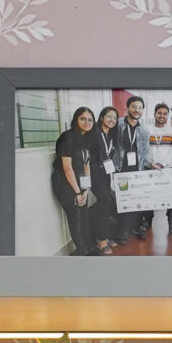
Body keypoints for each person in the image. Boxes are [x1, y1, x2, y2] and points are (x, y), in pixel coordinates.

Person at [51, 107, 102, 255]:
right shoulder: (67, 137)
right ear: (76, 119)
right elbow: (67, 168)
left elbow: (87, 165)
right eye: (83, 119)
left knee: (84, 215)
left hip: (79, 180)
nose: (87, 122)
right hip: (64, 181)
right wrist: (78, 192)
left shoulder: (87, 138)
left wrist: (86, 188)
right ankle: (82, 251)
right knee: (75, 216)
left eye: (90, 120)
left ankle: (89, 247)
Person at [118, 95, 151, 240]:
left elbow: (146, 150)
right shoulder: (118, 124)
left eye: (140, 107)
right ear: (128, 108)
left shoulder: (144, 130)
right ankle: (123, 229)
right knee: (123, 199)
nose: (137, 110)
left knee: (137, 198)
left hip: (137, 169)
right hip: (121, 168)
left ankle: (137, 227)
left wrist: (151, 163)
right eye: (134, 106)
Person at [92, 104, 124, 251]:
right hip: (93, 174)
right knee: (105, 202)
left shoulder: (111, 135)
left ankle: (103, 235)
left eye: (115, 118)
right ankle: (101, 239)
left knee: (106, 203)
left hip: (105, 174)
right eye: (109, 117)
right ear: (101, 118)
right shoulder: (94, 133)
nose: (112, 120)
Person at [148, 101, 172, 244]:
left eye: (165, 114)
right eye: (159, 113)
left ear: (168, 116)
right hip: (150, 168)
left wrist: (162, 164)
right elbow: (144, 149)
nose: (162, 116)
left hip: (167, 168)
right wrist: (151, 163)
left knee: (171, 196)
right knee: (148, 195)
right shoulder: (147, 129)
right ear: (154, 114)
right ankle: (147, 221)